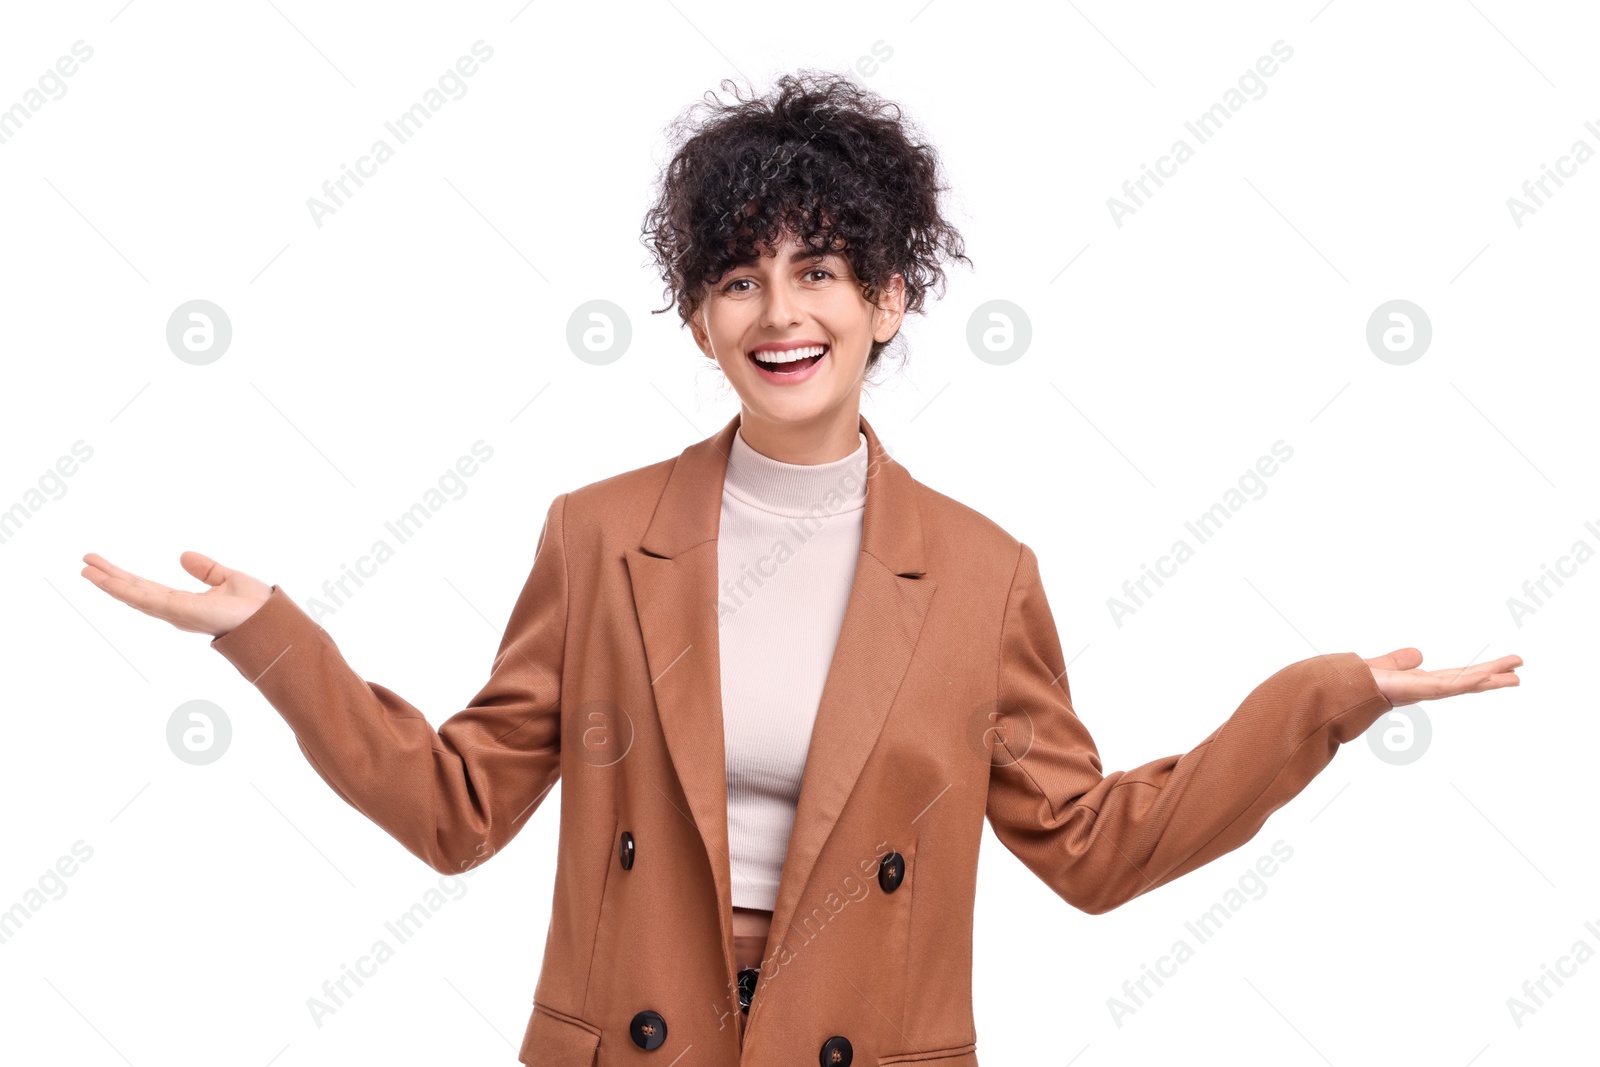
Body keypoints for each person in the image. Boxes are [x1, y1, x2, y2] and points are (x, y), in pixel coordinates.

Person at [80, 71, 1521, 1059]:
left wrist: (1323, 701)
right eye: (737, 278)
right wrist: (269, 636)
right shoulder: (598, 535)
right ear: (699, 318)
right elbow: (460, 810)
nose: (782, 312)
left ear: (889, 300)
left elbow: (1090, 850)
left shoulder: (978, 571)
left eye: (821, 271)